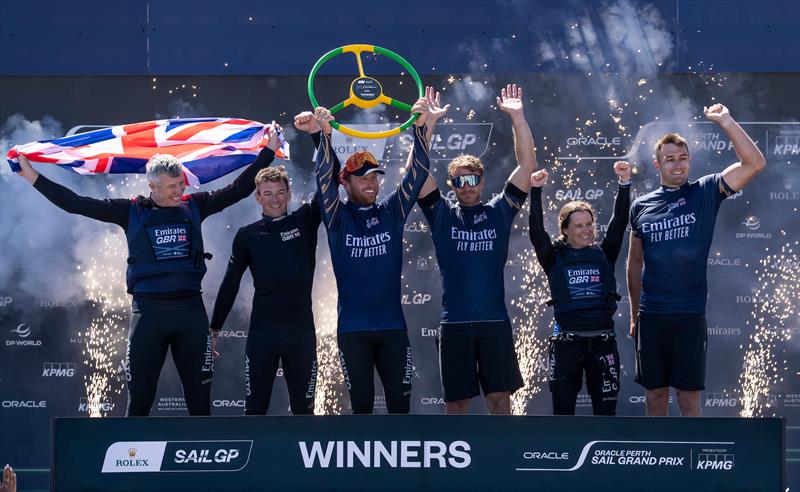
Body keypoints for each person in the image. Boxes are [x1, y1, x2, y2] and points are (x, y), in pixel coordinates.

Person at [14, 127, 282, 416]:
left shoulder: (195, 206)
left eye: (181, 184)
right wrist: (32, 176)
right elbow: (75, 204)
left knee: (200, 402)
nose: (180, 191)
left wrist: (267, 150)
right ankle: (133, 459)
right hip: (148, 314)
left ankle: (203, 460)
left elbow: (237, 190)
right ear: (153, 186)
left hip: (190, 312)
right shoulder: (131, 211)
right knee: (140, 401)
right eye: (172, 187)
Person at [294, 88, 440, 414]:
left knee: (400, 406)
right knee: (361, 407)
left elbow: (418, 172)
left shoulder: (392, 210)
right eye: (362, 178)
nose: (371, 183)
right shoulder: (336, 215)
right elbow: (323, 178)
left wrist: (420, 127)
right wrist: (325, 137)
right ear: (345, 183)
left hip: (392, 329)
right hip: (353, 331)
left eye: (374, 176)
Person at [627, 103, 766, 416]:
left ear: (689, 161)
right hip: (652, 316)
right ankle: (656, 461)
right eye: (670, 160)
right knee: (655, 400)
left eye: (682, 158)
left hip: (688, 315)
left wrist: (726, 121)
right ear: (657, 164)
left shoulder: (705, 191)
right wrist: (635, 315)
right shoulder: (641, 207)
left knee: (689, 402)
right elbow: (634, 263)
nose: (677, 165)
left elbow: (755, 163)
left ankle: (689, 464)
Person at [416, 84, 537, 415]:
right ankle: (459, 466)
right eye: (458, 181)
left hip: (493, 321)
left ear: (482, 183)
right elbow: (418, 173)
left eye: (471, 181)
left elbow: (526, 167)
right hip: (454, 324)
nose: (465, 187)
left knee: (500, 401)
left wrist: (518, 118)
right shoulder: (441, 214)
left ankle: (501, 461)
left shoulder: (499, 212)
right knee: (456, 404)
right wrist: (429, 123)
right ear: (452, 185)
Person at [210, 128, 326, 414]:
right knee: (255, 410)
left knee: (304, 410)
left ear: (289, 193)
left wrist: (317, 136)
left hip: (300, 333)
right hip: (263, 334)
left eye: (279, 193)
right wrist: (214, 328)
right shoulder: (247, 235)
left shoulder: (305, 220)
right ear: (258, 198)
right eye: (267, 194)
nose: (275, 199)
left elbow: (328, 180)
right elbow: (230, 284)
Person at [528, 162, 631, 415]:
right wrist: (536, 191)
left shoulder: (605, 253)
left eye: (589, 224)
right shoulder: (553, 257)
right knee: (563, 415)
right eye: (579, 225)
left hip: (603, 344)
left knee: (606, 417)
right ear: (565, 229)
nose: (586, 230)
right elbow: (536, 231)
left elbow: (618, 223)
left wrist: (625, 183)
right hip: (567, 345)